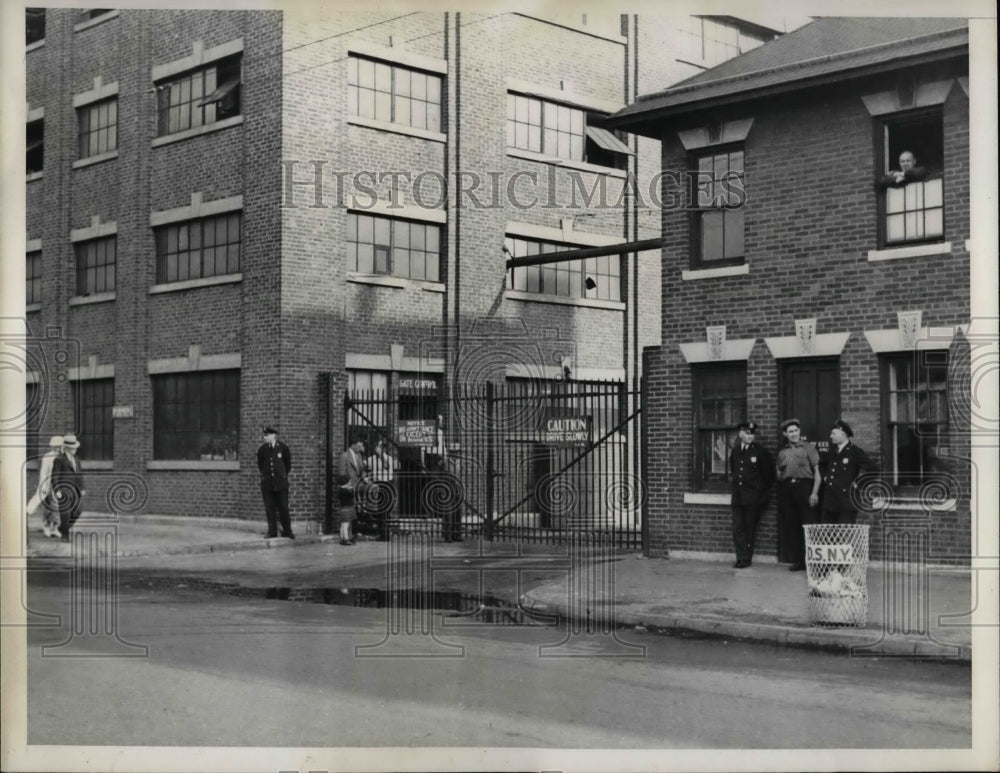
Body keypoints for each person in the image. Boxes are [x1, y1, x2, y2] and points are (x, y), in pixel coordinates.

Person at [775, 418, 821, 571]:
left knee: (808, 525)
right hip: (788, 489)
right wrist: (782, 475)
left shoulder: (809, 448)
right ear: (785, 434)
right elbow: (779, 473)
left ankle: (812, 563)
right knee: (793, 525)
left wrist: (814, 493)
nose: (793, 434)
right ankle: (799, 561)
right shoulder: (783, 452)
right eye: (790, 432)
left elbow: (817, 474)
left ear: (799, 431)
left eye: (795, 431)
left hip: (805, 487)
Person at [728, 421, 774, 568]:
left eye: (752, 434)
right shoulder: (735, 451)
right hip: (738, 497)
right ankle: (740, 557)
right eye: (747, 433)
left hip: (753, 498)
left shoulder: (760, 452)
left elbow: (768, 476)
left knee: (749, 528)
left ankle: (746, 558)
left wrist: (758, 494)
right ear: (740, 434)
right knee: (737, 528)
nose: (750, 436)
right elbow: (734, 471)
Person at [821, 419, 877, 524]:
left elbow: (874, 469)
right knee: (827, 536)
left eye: (833, 433)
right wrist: (825, 476)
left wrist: (858, 484)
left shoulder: (855, 451)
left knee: (844, 536)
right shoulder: (832, 450)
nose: (830, 436)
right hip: (829, 503)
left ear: (843, 434)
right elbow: (822, 464)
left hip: (846, 504)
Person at [257, 426, 294, 539]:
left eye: (267, 435)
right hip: (267, 484)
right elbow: (261, 466)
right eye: (264, 435)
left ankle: (287, 531)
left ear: (273, 436)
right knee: (270, 508)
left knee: (283, 507)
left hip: (281, 483)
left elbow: (287, 465)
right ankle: (272, 531)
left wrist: (281, 476)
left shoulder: (283, 448)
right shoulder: (262, 450)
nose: (265, 438)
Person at [26, 436, 64, 537]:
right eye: (56, 446)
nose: (58, 448)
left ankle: (55, 528)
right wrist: (43, 486)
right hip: (48, 485)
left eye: (59, 446)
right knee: (48, 508)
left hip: (58, 486)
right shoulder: (47, 457)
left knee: (57, 508)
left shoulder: (63, 457)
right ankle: (46, 527)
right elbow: (44, 473)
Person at [50, 434, 85, 543]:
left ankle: (63, 528)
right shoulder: (59, 459)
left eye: (75, 448)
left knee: (78, 510)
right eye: (72, 448)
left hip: (75, 490)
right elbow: (54, 476)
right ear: (67, 448)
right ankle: (65, 535)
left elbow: (79, 474)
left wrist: (82, 487)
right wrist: (57, 490)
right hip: (64, 490)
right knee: (65, 512)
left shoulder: (76, 459)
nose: (75, 450)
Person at [336, 435, 368, 545]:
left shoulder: (359, 456)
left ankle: (351, 535)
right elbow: (341, 473)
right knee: (348, 514)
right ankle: (345, 537)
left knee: (354, 512)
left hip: (358, 487)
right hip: (349, 488)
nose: (360, 448)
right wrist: (347, 484)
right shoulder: (344, 456)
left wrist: (364, 477)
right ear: (353, 445)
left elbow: (362, 469)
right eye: (358, 446)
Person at [365, 438, 396, 541]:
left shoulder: (389, 459)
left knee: (386, 510)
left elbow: (387, 467)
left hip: (386, 485)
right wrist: (367, 477)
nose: (381, 448)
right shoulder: (371, 459)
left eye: (383, 447)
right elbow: (366, 470)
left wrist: (381, 455)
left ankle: (386, 534)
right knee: (379, 510)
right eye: (379, 446)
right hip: (376, 485)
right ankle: (381, 533)